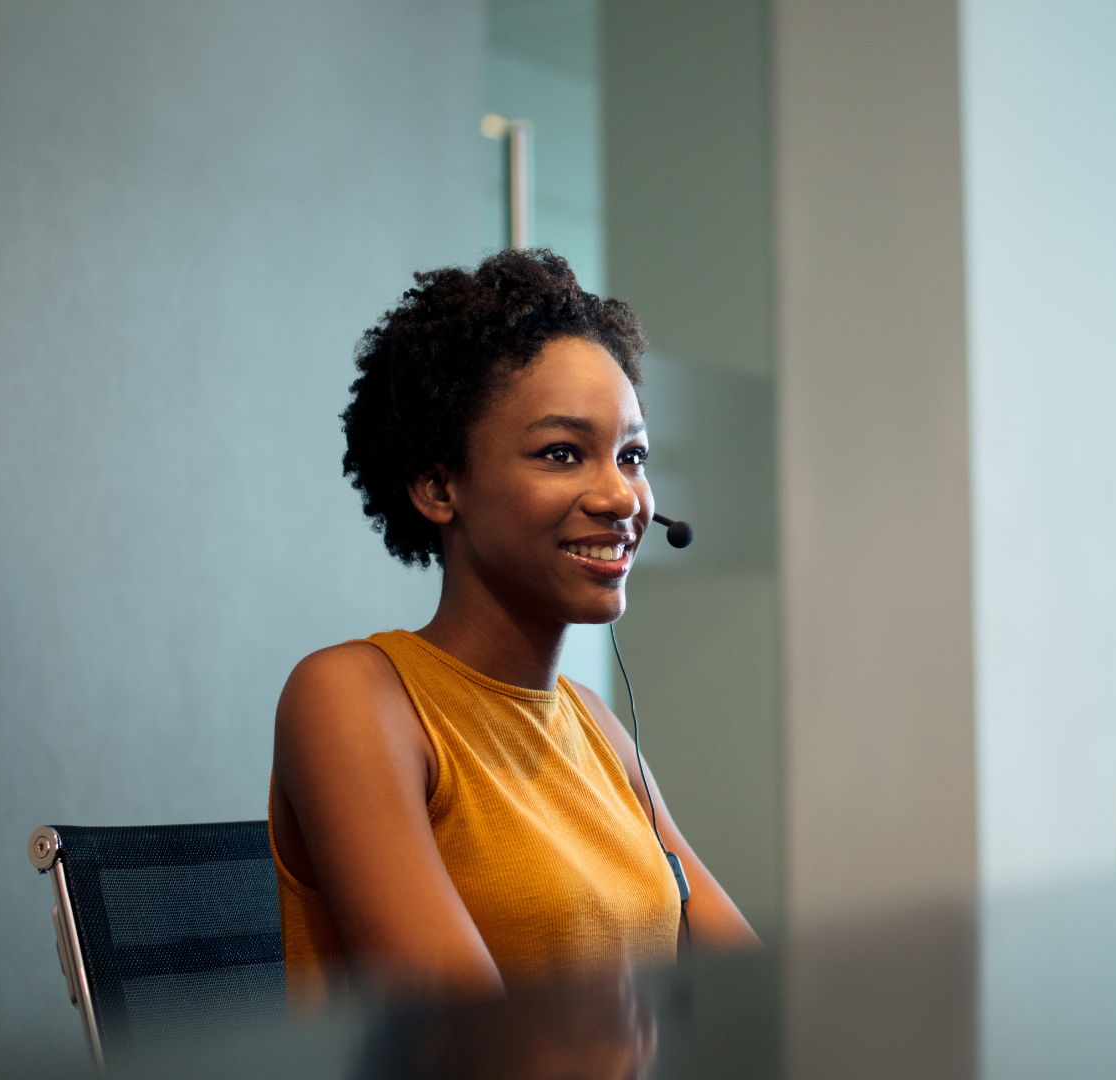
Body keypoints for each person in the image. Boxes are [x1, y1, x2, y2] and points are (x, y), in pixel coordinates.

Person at [268, 249, 758, 1005]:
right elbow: (478, 1043)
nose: (622, 497)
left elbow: (751, 992)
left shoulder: (595, 723)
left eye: (632, 455)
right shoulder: (352, 700)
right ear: (439, 486)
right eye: (563, 453)